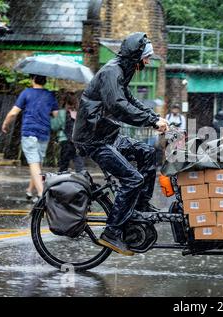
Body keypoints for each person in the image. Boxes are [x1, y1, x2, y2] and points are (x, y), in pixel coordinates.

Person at [72, 32, 169, 256]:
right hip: (93, 139)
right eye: (145, 58)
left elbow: (130, 100)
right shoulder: (111, 72)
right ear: (135, 57)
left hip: (107, 134)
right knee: (132, 179)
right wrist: (151, 121)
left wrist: (155, 117)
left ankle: (139, 208)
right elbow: (118, 106)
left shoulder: (122, 71)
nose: (147, 62)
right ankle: (112, 232)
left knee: (147, 153)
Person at [1, 75, 59, 201]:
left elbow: (13, 112)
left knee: (33, 163)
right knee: (37, 163)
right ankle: (29, 191)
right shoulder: (50, 95)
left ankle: (41, 193)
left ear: (33, 80)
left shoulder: (26, 93)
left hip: (29, 132)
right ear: (45, 81)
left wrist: (5, 124)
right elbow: (56, 115)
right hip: (44, 132)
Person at [51, 91, 85, 173]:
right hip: (77, 141)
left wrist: (52, 117)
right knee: (78, 161)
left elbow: (55, 126)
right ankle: (82, 177)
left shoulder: (62, 112)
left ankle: (61, 179)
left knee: (64, 162)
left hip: (65, 141)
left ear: (64, 101)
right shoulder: (78, 113)